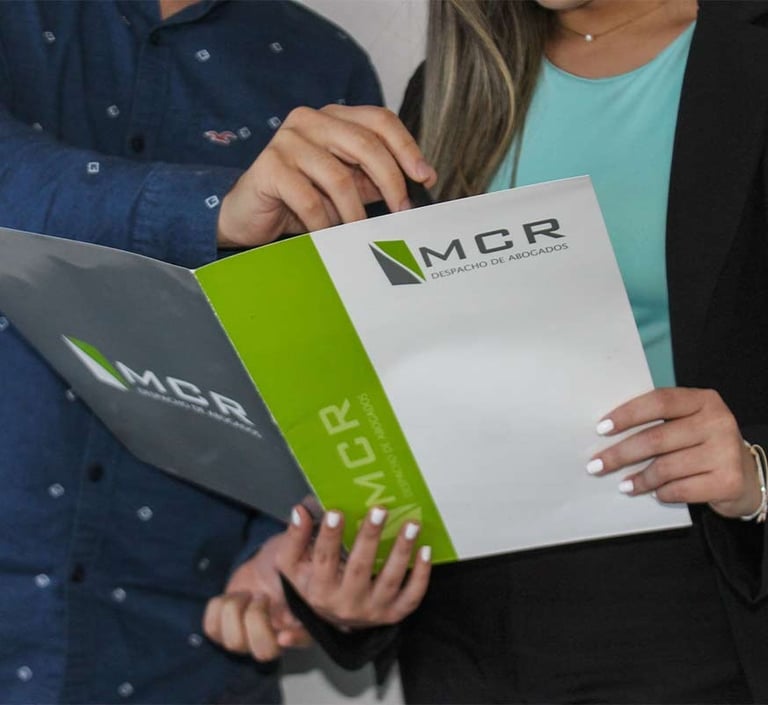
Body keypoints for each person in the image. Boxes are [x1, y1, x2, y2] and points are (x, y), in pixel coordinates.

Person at [216, 0, 768, 702]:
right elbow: (408, 386)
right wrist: (357, 588)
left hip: (695, 618)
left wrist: (758, 477)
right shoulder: (446, 88)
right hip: (463, 641)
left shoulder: (745, 54)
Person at [0, 1, 436, 702]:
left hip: (190, 656)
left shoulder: (322, 65)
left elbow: (328, 357)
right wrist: (215, 208)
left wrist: (286, 548)